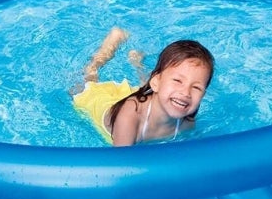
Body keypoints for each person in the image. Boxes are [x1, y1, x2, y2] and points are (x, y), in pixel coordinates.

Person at [72, 27, 214, 146]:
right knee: (86, 82)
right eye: (178, 80)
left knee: (154, 89)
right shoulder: (130, 116)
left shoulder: (187, 123)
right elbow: (121, 163)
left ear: (203, 95)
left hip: (142, 99)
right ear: (155, 83)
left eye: (196, 88)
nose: (186, 92)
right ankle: (98, 59)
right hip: (102, 104)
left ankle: (136, 62)